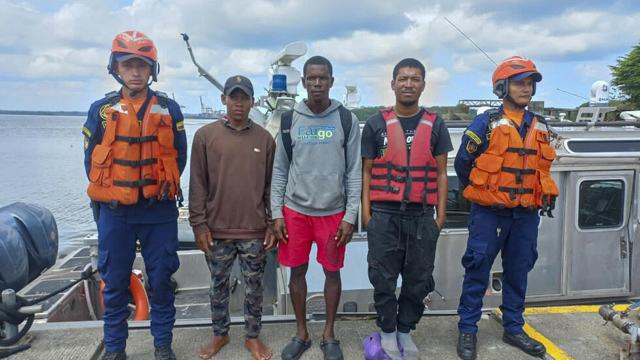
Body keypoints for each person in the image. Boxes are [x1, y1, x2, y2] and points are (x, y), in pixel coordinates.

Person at [83, 31, 187, 360]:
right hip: (116, 213)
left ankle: (162, 346)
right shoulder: (101, 110)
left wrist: (156, 186)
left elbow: (180, 156)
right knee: (114, 283)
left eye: (142, 65)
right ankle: (115, 349)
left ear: (152, 69)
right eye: (128, 65)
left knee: (161, 280)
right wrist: (118, 190)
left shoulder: (170, 109)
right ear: (116, 68)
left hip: (159, 212)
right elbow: (89, 161)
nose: (135, 71)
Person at [454, 56, 559, 360]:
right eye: (519, 82)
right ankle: (468, 331)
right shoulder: (485, 123)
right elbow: (463, 164)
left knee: (518, 272)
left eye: (530, 83)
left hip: (526, 215)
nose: (526, 88)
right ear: (503, 87)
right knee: (476, 270)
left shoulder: (541, 125)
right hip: (489, 214)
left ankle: (513, 328)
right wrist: (485, 193)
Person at [361, 58, 452, 360]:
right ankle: (387, 332)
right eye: (403, 78)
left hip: (423, 216)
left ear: (423, 85)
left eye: (415, 79)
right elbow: (365, 172)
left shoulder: (436, 124)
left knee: (418, 280)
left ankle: (404, 331)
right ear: (393, 84)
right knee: (383, 279)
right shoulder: (375, 124)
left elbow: (441, 173)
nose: (408, 84)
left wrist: (440, 217)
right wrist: (367, 214)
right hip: (384, 216)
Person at [271, 55, 362, 360]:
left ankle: (329, 334)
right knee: (297, 273)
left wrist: (351, 216)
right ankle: (301, 332)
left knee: (331, 273)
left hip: (333, 214)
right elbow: (280, 171)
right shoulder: (289, 120)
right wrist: (276, 213)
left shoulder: (346, 120)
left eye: (323, 78)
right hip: (295, 213)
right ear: (304, 82)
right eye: (312, 78)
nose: (317, 83)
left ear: (332, 81)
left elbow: (354, 173)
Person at [188, 75, 276, 360]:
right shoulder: (204, 136)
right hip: (216, 230)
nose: (239, 103)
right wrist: (198, 224)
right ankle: (220, 333)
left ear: (252, 102)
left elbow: (271, 187)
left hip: (253, 230)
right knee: (218, 286)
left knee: (254, 287)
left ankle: (253, 337)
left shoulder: (264, 138)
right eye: (233, 97)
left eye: (244, 97)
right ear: (223, 99)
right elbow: (197, 185)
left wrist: (273, 222)